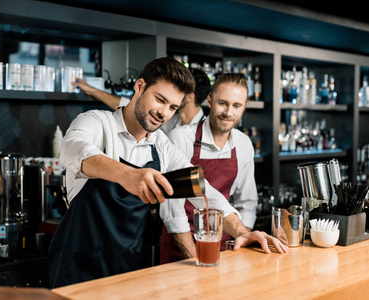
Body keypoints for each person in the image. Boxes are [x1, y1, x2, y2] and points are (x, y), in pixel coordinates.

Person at [49, 57, 287, 288]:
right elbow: (73, 150)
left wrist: (243, 231)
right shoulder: (97, 123)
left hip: (128, 265)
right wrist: (127, 174)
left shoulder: (162, 147)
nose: (164, 113)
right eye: (160, 100)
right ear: (140, 86)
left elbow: (204, 191)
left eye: (173, 107)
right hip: (77, 263)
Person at [160, 73, 262, 264]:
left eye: (236, 105)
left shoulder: (243, 143)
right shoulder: (180, 139)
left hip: (224, 247)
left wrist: (242, 238)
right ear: (209, 100)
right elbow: (172, 210)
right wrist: (196, 257)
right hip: (181, 248)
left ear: (244, 107)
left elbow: (247, 203)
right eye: (222, 103)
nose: (228, 112)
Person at [73, 67, 211, 134]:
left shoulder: (204, 132)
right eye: (160, 99)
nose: (163, 112)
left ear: (189, 98)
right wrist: (91, 90)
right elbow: (133, 106)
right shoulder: (172, 121)